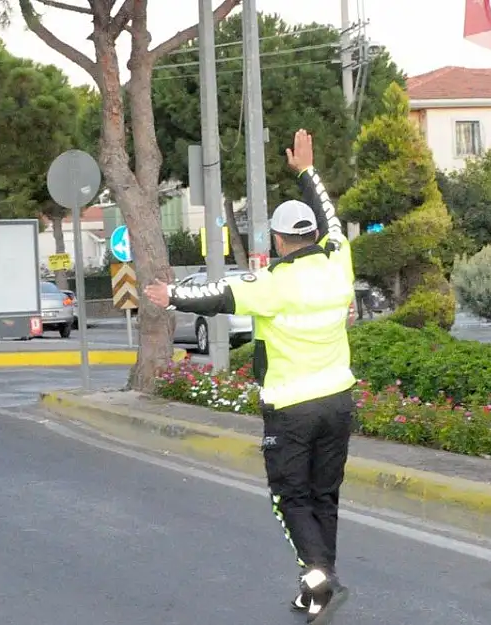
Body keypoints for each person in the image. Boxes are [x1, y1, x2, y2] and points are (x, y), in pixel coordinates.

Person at [144, 129, 353, 624]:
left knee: (289, 497)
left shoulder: (274, 284)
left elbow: (220, 294)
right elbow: (332, 216)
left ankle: (318, 574)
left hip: (290, 408)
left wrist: (170, 296)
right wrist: (307, 172)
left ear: (279, 239)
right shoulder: (339, 261)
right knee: (324, 495)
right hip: (339, 402)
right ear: (315, 236)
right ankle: (319, 585)